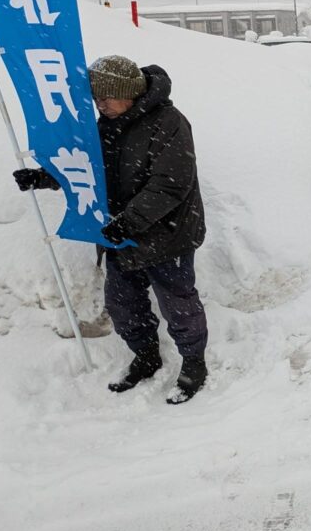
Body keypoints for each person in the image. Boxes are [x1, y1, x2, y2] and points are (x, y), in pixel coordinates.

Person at [14, 55, 209, 404]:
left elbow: (170, 184)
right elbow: (86, 169)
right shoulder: (106, 124)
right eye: (96, 98)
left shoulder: (169, 123)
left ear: (129, 93)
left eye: (106, 97)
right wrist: (43, 177)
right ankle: (146, 356)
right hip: (120, 235)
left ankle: (194, 363)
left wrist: (129, 222)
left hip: (166, 235)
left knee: (178, 304)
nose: (100, 104)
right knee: (122, 304)